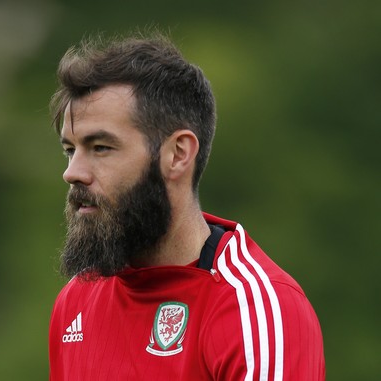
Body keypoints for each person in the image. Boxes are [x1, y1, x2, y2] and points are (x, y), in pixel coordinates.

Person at [47, 31, 325, 380]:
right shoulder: (76, 300)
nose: (72, 173)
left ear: (178, 154)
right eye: (70, 150)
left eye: (101, 147)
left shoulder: (255, 310)